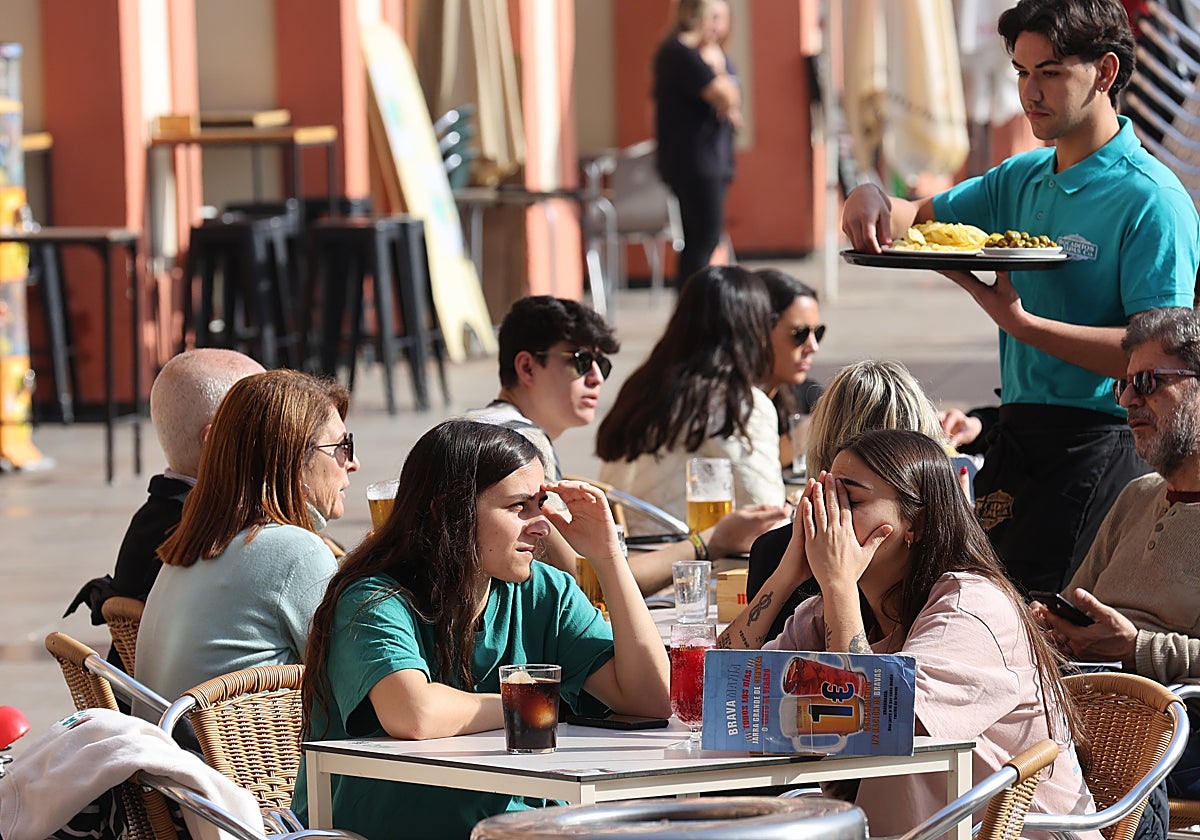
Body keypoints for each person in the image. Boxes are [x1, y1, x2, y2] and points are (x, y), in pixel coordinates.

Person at [840, 0, 1200, 594]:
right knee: (979, 605)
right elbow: (914, 216)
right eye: (1022, 72)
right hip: (1017, 433)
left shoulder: (1151, 199)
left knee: (1045, 626)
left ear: (1105, 73)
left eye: (1051, 72)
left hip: (1102, 440)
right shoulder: (1020, 176)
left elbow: (1161, 363)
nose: (1030, 92)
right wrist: (871, 195)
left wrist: (1023, 325)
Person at [292, 420, 671, 840]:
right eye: (518, 507)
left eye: (540, 504)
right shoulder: (373, 598)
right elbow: (413, 713)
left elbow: (648, 700)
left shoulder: (547, 591)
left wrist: (607, 555)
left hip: (520, 829)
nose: (541, 525)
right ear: (447, 511)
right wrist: (539, 707)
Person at [722, 429, 1098, 837]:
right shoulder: (835, 608)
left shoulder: (969, 605)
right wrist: (785, 574)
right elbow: (719, 692)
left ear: (914, 523)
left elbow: (877, 726)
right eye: (825, 495)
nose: (829, 516)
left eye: (850, 500)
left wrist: (839, 586)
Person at [469, 295, 787, 594]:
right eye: (581, 361)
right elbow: (584, 582)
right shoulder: (524, 443)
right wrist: (711, 542)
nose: (597, 377)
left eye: (602, 365)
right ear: (526, 367)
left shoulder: (474, 426)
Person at [1033, 307, 1200, 802]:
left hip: (1174, 731)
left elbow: (1131, 647)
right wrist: (1050, 624)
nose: (1128, 400)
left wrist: (1135, 649)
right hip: (1092, 715)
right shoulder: (1137, 496)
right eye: (1122, 385)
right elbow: (1073, 605)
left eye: (1147, 382)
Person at [136, 369, 357, 704]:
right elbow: (360, 691)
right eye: (342, 446)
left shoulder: (193, 547)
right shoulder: (297, 552)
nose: (353, 462)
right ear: (294, 457)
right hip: (228, 757)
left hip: (176, 751)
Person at [62, 348, 265, 672]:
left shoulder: (160, 512)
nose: (283, 437)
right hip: (205, 717)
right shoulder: (208, 532)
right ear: (216, 440)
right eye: (265, 424)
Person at [746, 360, 948, 639]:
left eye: (855, 499)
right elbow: (722, 672)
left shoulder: (955, 592)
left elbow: (860, 683)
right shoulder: (794, 564)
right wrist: (784, 578)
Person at [597, 266, 785, 519]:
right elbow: (767, 509)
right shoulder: (738, 403)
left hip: (624, 546)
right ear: (755, 328)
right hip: (691, 553)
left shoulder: (642, 386)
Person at [653, 0, 741, 287]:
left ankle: (691, 308)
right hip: (695, 161)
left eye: (722, 18)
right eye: (711, 17)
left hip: (711, 158)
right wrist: (716, 68)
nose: (716, 26)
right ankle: (691, 308)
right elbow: (726, 97)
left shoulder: (707, 54)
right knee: (704, 238)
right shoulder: (682, 53)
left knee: (700, 239)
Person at [757, 268, 824, 470]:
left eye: (818, 333)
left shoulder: (808, 397)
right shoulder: (722, 408)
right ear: (760, 331)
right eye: (800, 334)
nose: (813, 346)